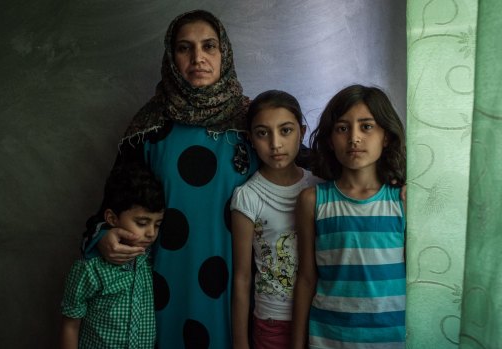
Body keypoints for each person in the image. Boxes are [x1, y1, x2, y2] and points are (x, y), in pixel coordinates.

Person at [80, 10, 257, 349]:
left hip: (237, 289)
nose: (198, 58)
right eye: (184, 48)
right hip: (161, 288)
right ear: (171, 57)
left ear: (225, 53)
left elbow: (310, 167)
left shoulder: (254, 123)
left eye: (209, 46)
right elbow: (112, 208)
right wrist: (102, 237)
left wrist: (388, 179)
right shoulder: (148, 128)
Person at [291, 84, 407, 349]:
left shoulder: (402, 201)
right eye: (342, 128)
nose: (354, 138)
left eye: (366, 126)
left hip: (392, 340)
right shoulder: (313, 201)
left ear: (386, 136)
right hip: (329, 338)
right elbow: (307, 278)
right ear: (331, 140)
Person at [230, 90, 323, 349]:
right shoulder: (247, 197)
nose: (275, 144)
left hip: (320, 316)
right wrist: (240, 343)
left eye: (285, 130)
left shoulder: (319, 187)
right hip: (272, 322)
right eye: (262, 133)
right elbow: (242, 277)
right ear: (251, 138)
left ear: (302, 133)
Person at [60, 164, 165, 349]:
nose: (151, 233)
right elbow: (70, 325)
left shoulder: (154, 261)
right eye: (142, 223)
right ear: (112, 219)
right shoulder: (89, 269)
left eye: (157, 224)